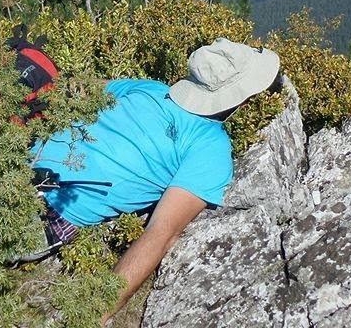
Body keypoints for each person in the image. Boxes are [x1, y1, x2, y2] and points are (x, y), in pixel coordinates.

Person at [27, 37, 282, 321]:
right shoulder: (210, 150)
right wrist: (96, 315)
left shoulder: (149, 89)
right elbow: (160, 235)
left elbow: (83, 88)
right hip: (47, 218)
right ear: (243, 99)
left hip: (16, 167)